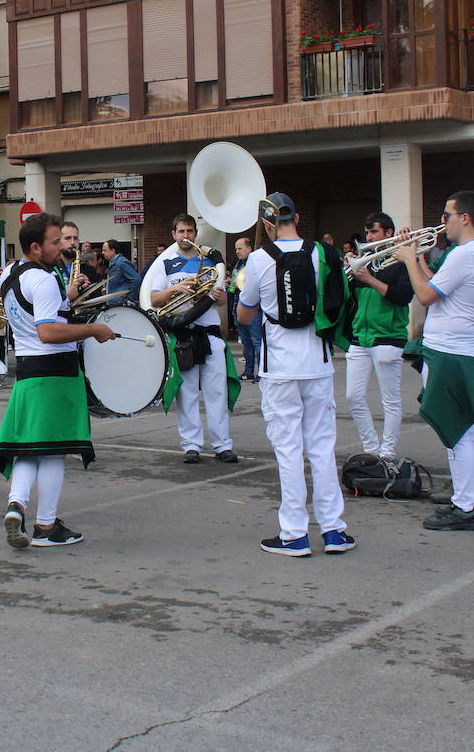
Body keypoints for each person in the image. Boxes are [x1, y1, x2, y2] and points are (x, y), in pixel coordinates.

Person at [237, 193, 354, 556]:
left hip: (279, 369)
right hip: (318, 364)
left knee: (288, 451)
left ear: (267, 224)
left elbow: (243, 316)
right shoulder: (322, 253)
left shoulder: (257, 259)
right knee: (322, 447)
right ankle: (333, 530)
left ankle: (294, 534)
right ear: (298, 217)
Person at [0, 214, 116, 548]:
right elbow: (47, 332)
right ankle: (46, 527)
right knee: (53, 452)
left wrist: (67, 299)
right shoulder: (44, 279)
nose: (62, 246)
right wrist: (94, 329)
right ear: (36, 247)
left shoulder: (9, 272)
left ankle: (16, 504)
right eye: (55, 241)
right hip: (56, 371)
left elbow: (35, 316)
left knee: (28, 448)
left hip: (28, 369)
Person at [397, 191, 474, 530]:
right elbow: (435, 286)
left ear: (464, 218)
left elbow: (423, 295)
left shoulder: (466, 254)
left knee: (459, 433)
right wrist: (419, 255)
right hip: (450, 350)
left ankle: (466, 507)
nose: (442, 222)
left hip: (451, 352)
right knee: (457, 432)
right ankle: (468, 502)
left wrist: (408, 259)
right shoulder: (466, 254)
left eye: (447, 215)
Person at [145, 214, 238, 464]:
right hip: (183, 336)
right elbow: (154, 300)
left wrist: (219, 297)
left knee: (216, 393)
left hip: (210, 334)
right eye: (181, 232)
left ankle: (222, 445)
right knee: (186, 394)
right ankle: (191, 445)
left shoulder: (209, 261)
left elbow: (222, 299)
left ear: (196, 233)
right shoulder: (165, 264)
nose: (186, 236)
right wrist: (176, 288)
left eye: (190, 231)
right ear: (174, 235)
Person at [344, 212, 413, 461]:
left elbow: (403, 296)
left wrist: (369, 279)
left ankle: (387, 451)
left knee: (390, 400)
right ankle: (371, 447)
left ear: (388, 233)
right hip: (360, 337)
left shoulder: (401, 260)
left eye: (373, 232)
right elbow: (348, 297)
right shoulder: (364, 261)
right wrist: (349, 273)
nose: (368, 237)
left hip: (388, 337)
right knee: (352, 397)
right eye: (367, 232)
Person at [230, 236, 263, 380]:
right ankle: (248, 371)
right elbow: (235, 284)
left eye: (240, 248)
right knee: (246, 342)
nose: (237, 251)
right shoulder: (238, 264)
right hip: (238, 306)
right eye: (236, 248)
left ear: (249, 248)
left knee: (257, 341)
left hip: (252, 309)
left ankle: (261, 373)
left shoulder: (256, 263)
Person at [103, 239, 141, 305]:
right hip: (116, 302)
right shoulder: (115, 262)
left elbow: (136, 279)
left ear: (113, 251)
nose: (102, 253)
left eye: (105, 250)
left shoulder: (122, 262)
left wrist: (130, 299)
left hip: (120, 303)